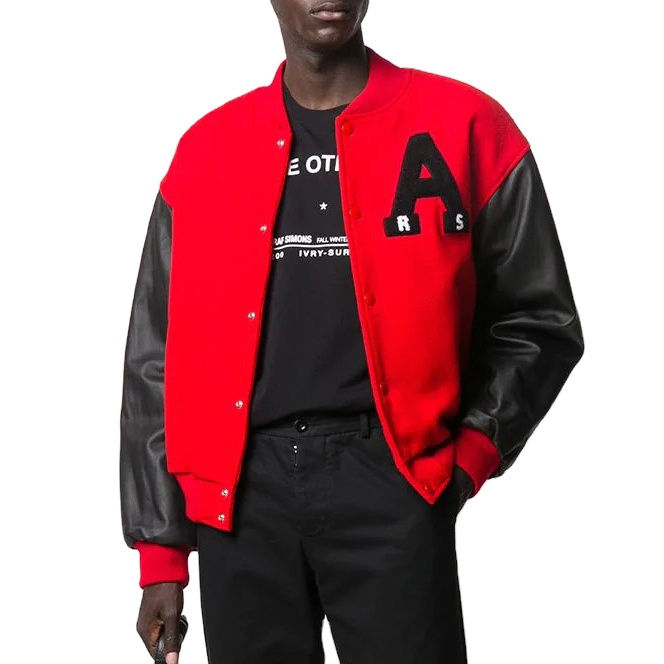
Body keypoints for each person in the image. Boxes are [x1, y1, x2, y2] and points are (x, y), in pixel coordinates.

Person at [119, 1, 584, 662]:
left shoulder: (466, 124)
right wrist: (161, 554)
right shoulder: (206, 149)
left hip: (392, 479)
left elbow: (539, 318)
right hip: (239, 497)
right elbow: (156, 358)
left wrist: (471, 456)